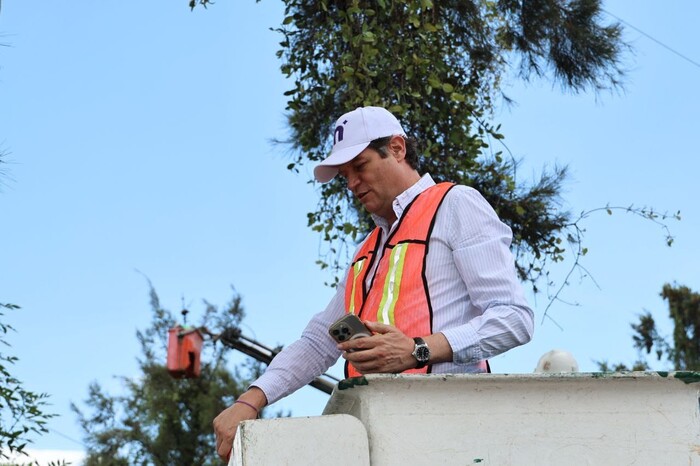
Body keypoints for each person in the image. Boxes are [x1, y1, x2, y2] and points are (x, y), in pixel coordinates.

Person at [213, 106, 534, 460]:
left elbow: (514, 318)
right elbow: (320, 342)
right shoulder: (366, 252)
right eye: (344, 174)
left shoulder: (455, 204)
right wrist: (251, 400)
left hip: (454, 435)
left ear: (397, 148)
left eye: (360, 166)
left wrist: (418, 349)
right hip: (382, 440)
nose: (351, 183)